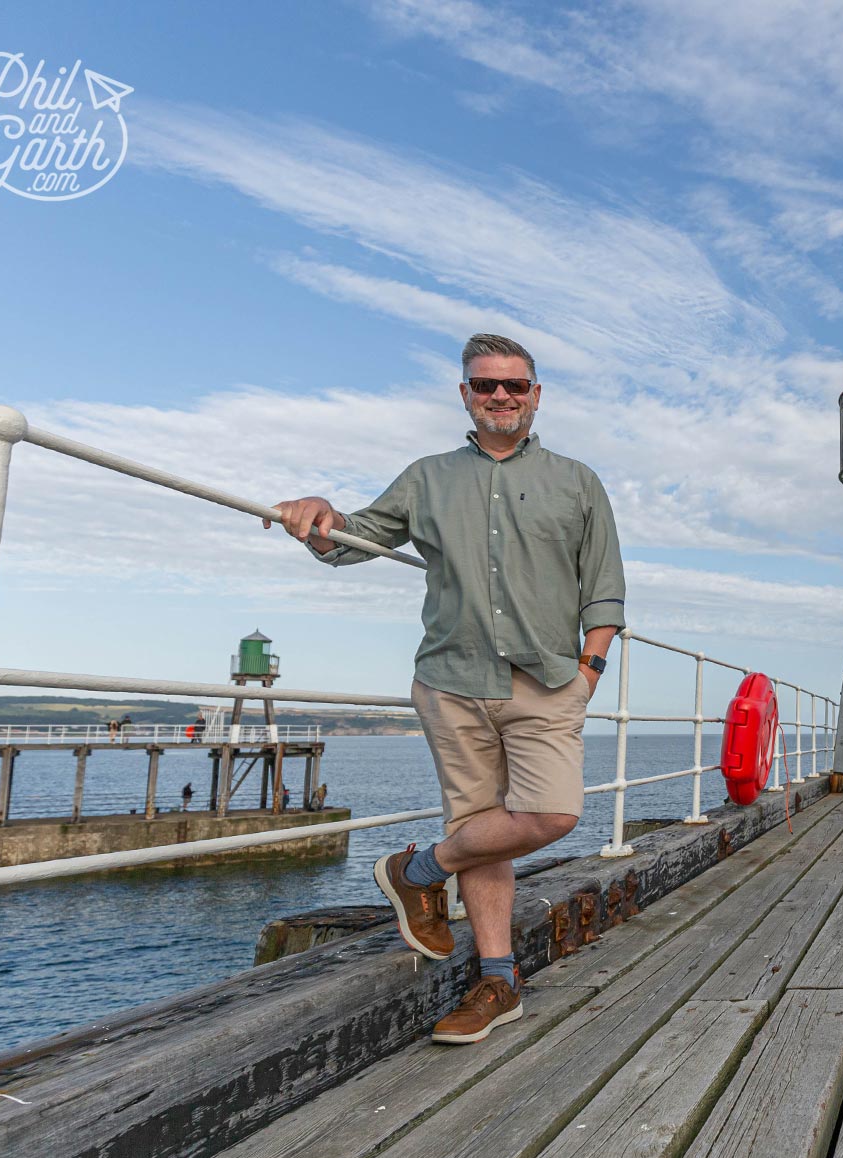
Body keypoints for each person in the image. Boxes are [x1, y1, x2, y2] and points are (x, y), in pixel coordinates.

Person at [268, 333, 625, 1044]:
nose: (500, 396)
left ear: (536, 395)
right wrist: (319, 515)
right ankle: (500, 979)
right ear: (464, 393)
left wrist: (589, 672)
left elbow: (605, 589)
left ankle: (415, 869)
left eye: (514, 385)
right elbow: (354, 538)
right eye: (485, 384)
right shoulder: (427, 477)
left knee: (553, 813)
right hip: (450, 680)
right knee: (479, 830)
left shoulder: (577, 480)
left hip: (549, 679)